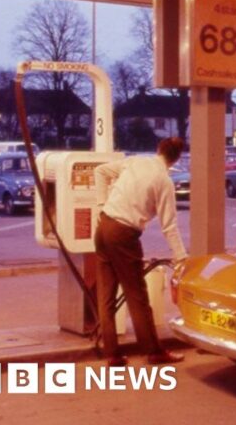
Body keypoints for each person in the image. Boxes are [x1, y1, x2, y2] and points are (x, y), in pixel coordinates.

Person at [94, 137, 188, 366]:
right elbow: (169, 226)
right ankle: (154, 352)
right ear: (175, 158)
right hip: (124, 234)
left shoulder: (135, 161)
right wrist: (182, 257)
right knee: (137, 295)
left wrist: (100, 205)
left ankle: (112, 355)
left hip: (103, 226)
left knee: (106, 295)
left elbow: (100, 171)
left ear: (158, 149)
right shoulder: (164, 181)